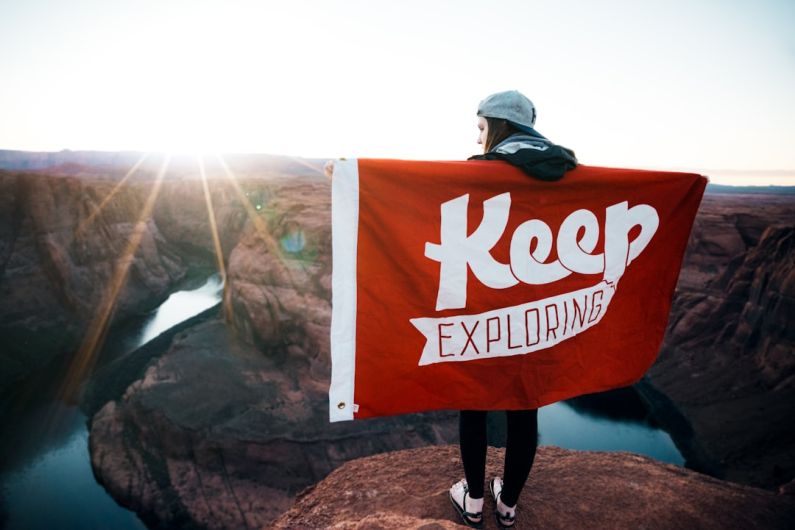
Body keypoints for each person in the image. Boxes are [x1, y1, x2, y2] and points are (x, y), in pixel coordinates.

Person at [448, 90, 577, 529]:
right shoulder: (566, 171)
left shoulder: (479, 173)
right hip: (538, 315)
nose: (479, 136)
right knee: (526, 407)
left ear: (498, 126)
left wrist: (353, 182)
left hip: (484, 311)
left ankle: (472, 500)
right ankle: (508, 506)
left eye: (483, 127)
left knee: (474, 404)